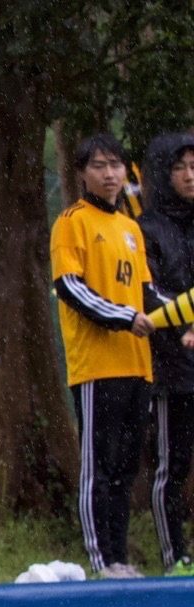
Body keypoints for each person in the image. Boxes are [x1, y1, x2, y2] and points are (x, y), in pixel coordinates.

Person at [51, 133, 156, 579]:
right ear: (82, 173)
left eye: (115, 165)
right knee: (99, 465)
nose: (109, 174)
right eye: (99, 166)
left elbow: (147, 294)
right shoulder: (71, 222)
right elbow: (70, 288)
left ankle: (120, 557)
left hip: (138, 364)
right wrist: (124, 317)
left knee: (127, 467)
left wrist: (179, 319)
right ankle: (101, 559)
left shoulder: (131, 228)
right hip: (96, 366)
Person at [138, 131, 194, 576]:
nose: (190, 176)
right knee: (171, 466)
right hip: (171, 367)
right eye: (179, 168)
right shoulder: (145, 229)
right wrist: (186, 325)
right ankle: (175, 557)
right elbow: (148, 293)